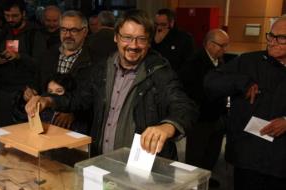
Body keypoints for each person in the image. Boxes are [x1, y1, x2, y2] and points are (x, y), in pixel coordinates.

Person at [26, 9, 198, 159]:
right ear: (116, 37)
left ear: (149, 41)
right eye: (127, 38)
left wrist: (167, 126)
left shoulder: (159, 71)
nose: (133, 45)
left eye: (141, 39)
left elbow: (183, 106)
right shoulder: (103, 67)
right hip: (101, 159)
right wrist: (48, 100)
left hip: (138, 167)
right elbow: (80, 99)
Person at [204, 17, 286, 190]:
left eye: (281, 38)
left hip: (280, 162)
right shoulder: (248, 62)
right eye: (270, 36)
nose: (271, 42)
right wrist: (240, 82)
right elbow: (210, 82)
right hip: (247, 158)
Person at [25, 10, 92, 132]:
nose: (67, 35)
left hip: (76, 127)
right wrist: (30, 91)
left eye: (73, 30)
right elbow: (37, 82)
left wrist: (74, 113)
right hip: (45, 121)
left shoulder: (93, 60)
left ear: (85, 32)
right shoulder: (48, 54)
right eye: (63, 29)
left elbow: (92, 98)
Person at [180, 29, 230, 188]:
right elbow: (191, 92)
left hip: (217, 116)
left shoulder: (219, 60)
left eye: (226, 46)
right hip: (200, 118)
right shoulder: (194, 63)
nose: (224, 50)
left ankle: (205, 181)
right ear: (209, 44)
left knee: (212, 153)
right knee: (196, 155)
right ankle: (194, 185)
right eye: (221, 46)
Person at [0, 0, 37, 127]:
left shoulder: (35, 33)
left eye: (14, 16)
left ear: (23, 14)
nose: (10, 19)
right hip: (3, 90)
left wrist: (19, 56)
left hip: (25, 91)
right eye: (7, 16)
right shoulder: (2, 32)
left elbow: (40, 64)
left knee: (24, 131)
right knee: (5, 130)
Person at [152, 8, 195, 72]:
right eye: (156, 24)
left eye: (163, 24)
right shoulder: (151, 35)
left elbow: (188, 63)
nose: (159, 27)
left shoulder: (184, 38)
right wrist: (155, 43)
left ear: (171, 23)